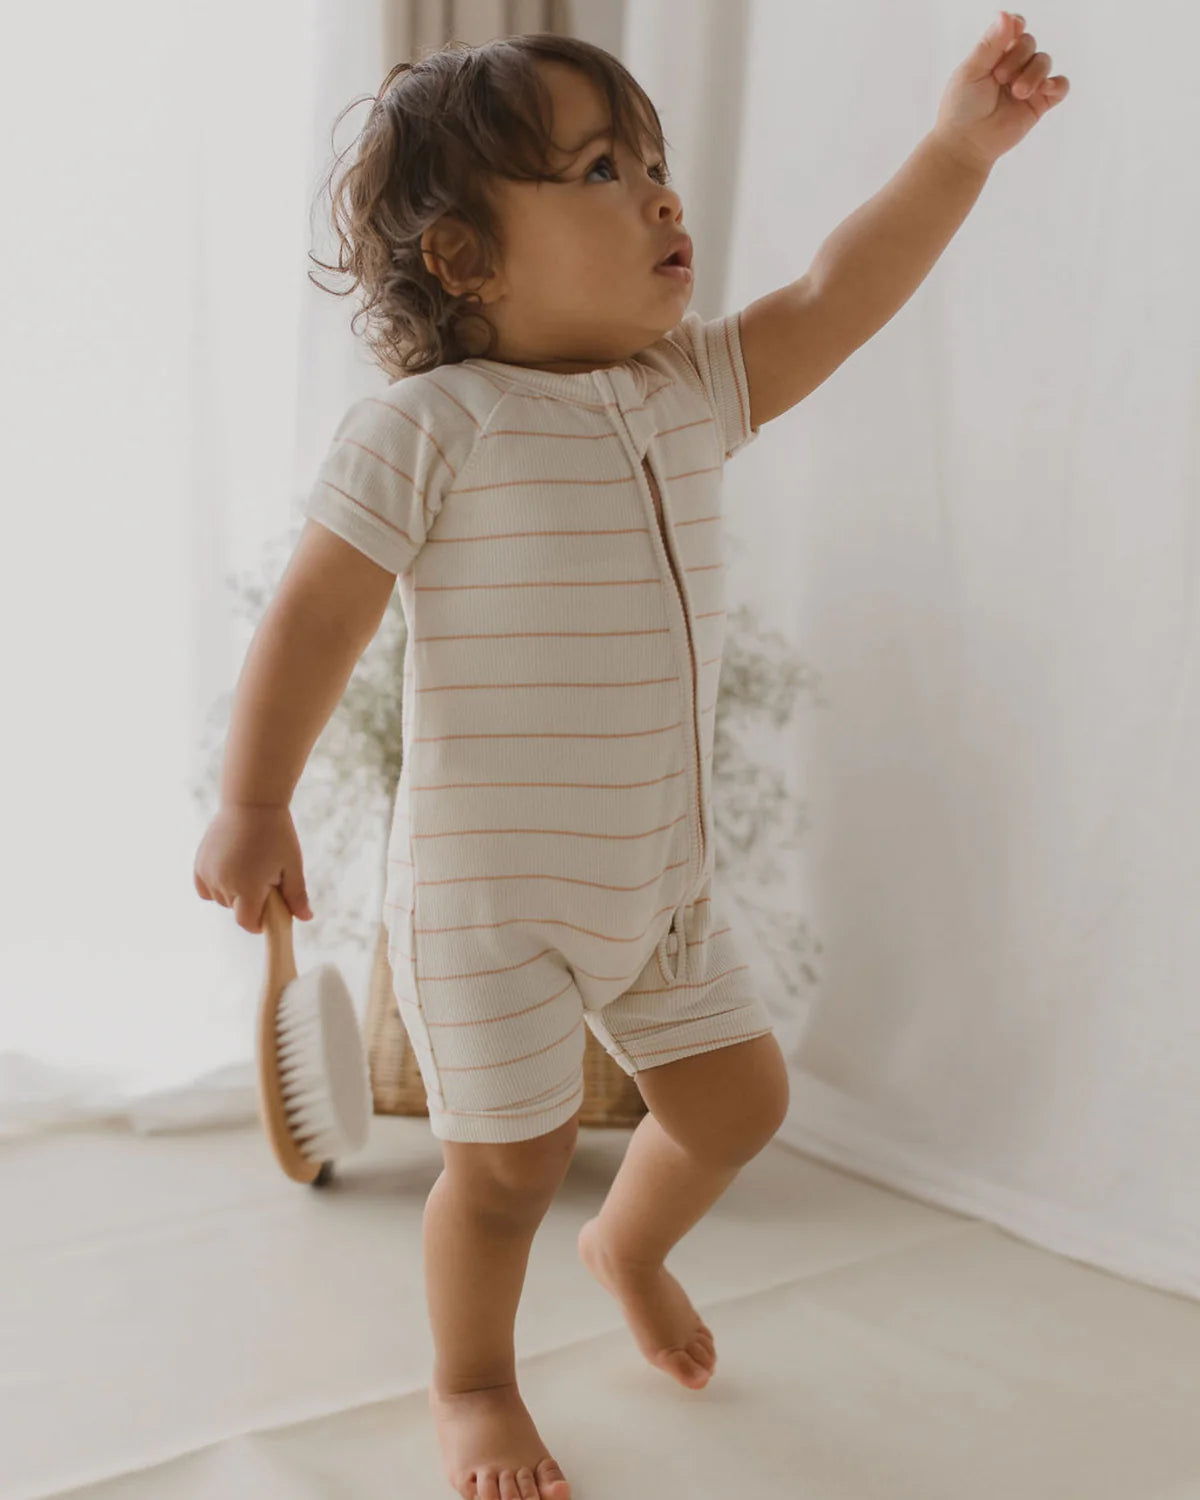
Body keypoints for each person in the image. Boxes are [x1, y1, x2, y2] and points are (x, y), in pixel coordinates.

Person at [194, 20, 1067, 1499]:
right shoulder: (430, 428)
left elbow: (837, 297)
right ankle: (473, 1381)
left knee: (741, 1104)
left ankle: (631, 1242)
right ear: (468, 259)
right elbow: (316, 615)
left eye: (656, 163)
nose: (662, 196)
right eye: (603, 169)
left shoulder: (686, 389)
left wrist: (953, 153)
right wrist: (252, 798)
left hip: (656, 882)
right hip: (490, 901)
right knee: (507, 1167)